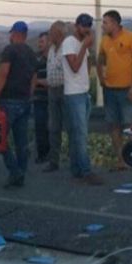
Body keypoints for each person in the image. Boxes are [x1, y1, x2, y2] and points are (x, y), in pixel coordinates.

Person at [0, 21, 37, 188]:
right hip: (24, 101)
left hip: (8, 100)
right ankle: (21, 174)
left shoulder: (9, 50)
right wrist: (28, 96)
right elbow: (34, 78)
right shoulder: (31, 53)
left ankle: (14, 171)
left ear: (15, 34)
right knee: (21, 142)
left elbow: (3, 73)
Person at [97, 10, 132, 171]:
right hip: (110, 89)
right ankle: (121, 159)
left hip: (126, 88)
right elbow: (100, 60)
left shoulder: (131, 37)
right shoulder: (104, 41)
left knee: (130, 124)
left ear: (115, 23)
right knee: (114, 124)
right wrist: (101, 78)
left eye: (105, 22)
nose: (103, 26)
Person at [61, 14, 104, 186]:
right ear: (76, 26)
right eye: (83, 26)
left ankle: (76, 169)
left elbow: (86, 67)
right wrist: (84, 46)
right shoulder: (70, 43)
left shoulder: (82, 44)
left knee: (76, 133)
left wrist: (87, 48)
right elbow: (75, 66)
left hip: (83, 92)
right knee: (81, 134)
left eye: (88, 26)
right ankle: (86, 171)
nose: (86, 29)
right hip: (73, 94)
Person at [43, 21, 67, 173]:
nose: (49, 35)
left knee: (71, 126)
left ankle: (75, 160)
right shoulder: (51, 49)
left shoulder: (67, 47)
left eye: (51, 32)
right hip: (52, 90)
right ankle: (54, 161)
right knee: (53, 127)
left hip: (65, 90)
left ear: (59, 33)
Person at [32, 32, 50, 164]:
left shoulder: (54, 60)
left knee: (50, 128)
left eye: (42, 42)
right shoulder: (36, 59)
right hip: (38, 98)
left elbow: (53, 81)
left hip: (50, 99)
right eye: (39, 42)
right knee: (39, 128)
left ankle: (50, 155)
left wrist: (38, 81)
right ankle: (42, 154)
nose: (39, 44)